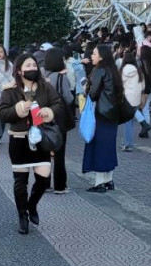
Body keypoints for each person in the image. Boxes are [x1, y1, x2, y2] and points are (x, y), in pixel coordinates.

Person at [0, 54, 66, 234]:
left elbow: (59, 104)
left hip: (41, 139)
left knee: (44, 178)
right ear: (19, 70)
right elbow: (2, 113)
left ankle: (32, 205)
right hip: (19, 139)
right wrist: (19, 108)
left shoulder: (45, 86)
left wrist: (48, 111)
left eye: (34, 65)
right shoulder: (10, 90)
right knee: (20, 181)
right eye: (28, 65)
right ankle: (22, 216)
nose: (33, 68)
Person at [83, 43, 124, 192]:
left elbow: (93, 94)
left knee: (99, 146)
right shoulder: (113, 70)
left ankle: (99, 183)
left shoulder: (99, 70)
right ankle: (109, 180)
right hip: (112, 114)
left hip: (100, 113)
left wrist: (86, 89)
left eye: (94, 54)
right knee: (109, 147)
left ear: (101, 56)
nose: (91, 56)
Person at [42, 47, 76, 193]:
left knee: (44, 152)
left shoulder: (41, 76)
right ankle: (60, 186)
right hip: (58, 119)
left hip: (43, 118)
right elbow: (69, 98)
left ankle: (44, 184)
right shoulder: (62, 77)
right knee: (59, 154)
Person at [120, 53, 145, 152]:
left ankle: (128, 144)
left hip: (126, 98)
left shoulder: (123, 70)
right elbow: (143, 86)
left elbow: (120, 84)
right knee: (130, 122)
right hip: (136, 98)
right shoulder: (138, 70)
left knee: (127, 122)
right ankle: (128, 141)